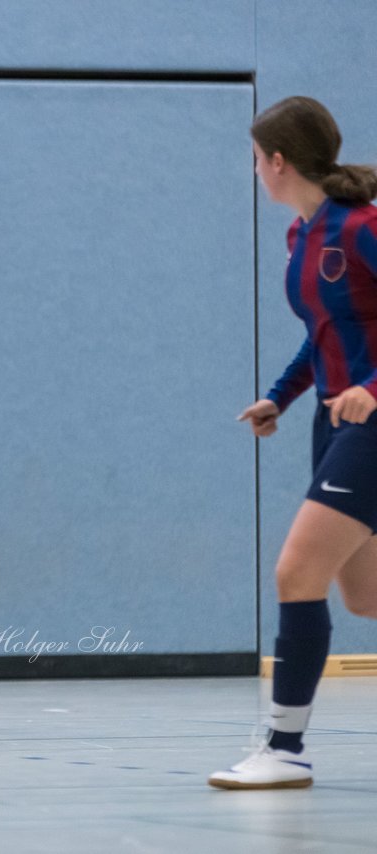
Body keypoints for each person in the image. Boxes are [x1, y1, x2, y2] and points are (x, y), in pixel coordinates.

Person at [209, 96, 377, 790]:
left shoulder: (363, 228)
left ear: (278, 161)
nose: (254, 173)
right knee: (364, 595)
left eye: (255, 160)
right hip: (331, 423)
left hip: (373, 421)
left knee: (296, 573)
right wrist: (280, 396)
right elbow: (323, 335)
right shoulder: (300, 237)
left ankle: (283, 746)